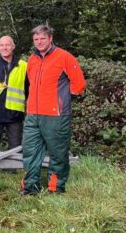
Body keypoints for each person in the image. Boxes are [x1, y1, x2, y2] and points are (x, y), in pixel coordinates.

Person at [21, 25, 86, 195]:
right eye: (36, 39)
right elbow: (30, 83)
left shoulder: (64, 57)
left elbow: (79, 84)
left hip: (56, 115)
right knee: (30, 151)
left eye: (42, 38)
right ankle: (30, 187)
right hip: (33, 114)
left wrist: (60, 99)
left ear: (50, 38)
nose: (39, 42)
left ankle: (55, 187)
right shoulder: (32, 60)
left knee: (57, 153)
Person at [0, 35, 28, 150]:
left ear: (13, 46)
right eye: (2, 45)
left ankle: (13, 168)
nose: (4, 48)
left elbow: (28, 88)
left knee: (15, 146)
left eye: (7, 45)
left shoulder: (24, 66)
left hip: (15, 113)